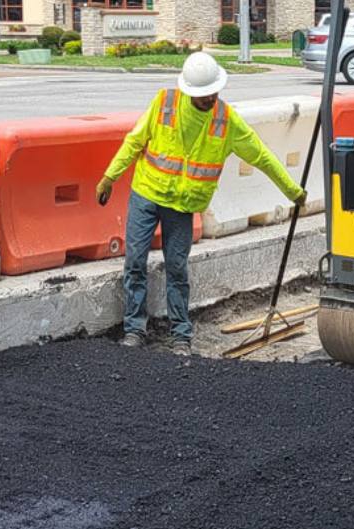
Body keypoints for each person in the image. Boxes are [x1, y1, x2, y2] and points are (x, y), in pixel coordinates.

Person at [97, 52, 306, 355]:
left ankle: (181, 335)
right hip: (147, 195)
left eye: (212, 93)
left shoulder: (226, 121)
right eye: (203, 95)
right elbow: (134, 141)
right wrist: (109, 176)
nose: (209, 99)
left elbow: (261, 156)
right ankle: (134, 330)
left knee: (177, 268)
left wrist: (292, 191)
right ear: (188, 91)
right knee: (135, 263)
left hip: (182, 207)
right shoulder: (164, 103)